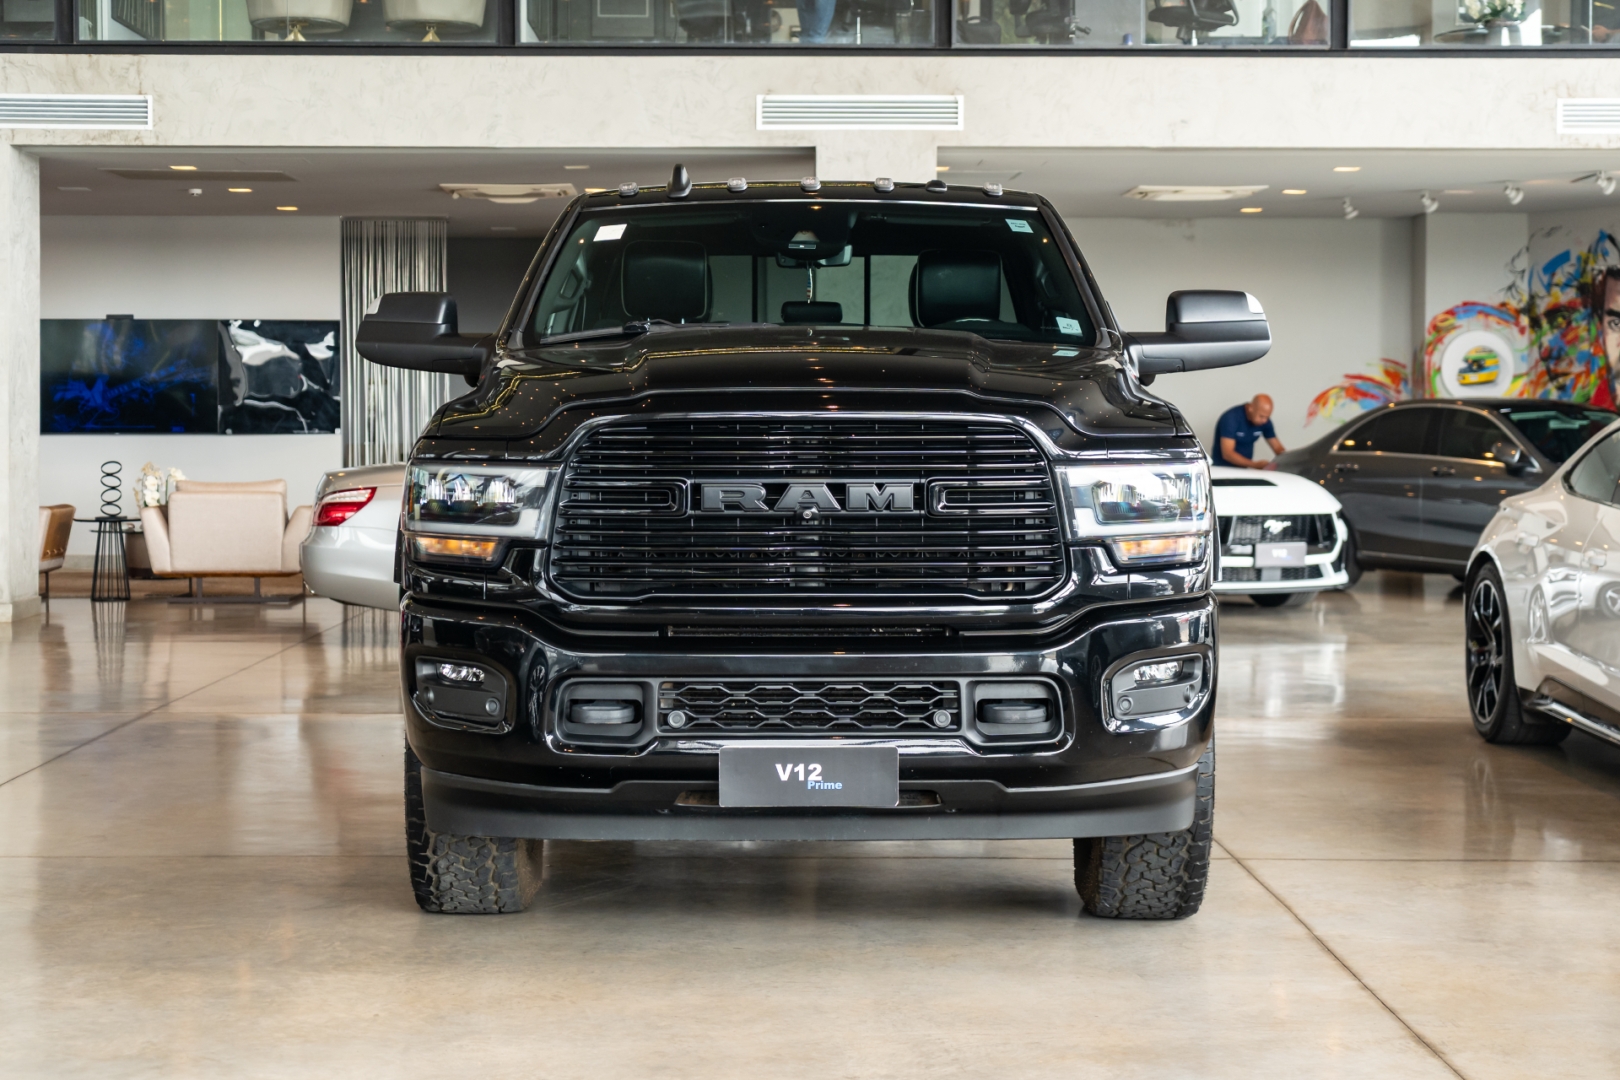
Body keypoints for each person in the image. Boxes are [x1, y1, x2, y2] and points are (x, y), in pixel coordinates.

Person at [1215, 394, 1286, 469]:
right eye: (1261, 416)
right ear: (1250, 408)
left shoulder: (1265, 421)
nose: (1264, 420)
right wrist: (1255, 465)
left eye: (1267, 417)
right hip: (1223, 469)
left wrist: (1290, 461)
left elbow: (1277, 448)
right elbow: (1227, 454)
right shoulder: (1231, 418)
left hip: (1244, 469)